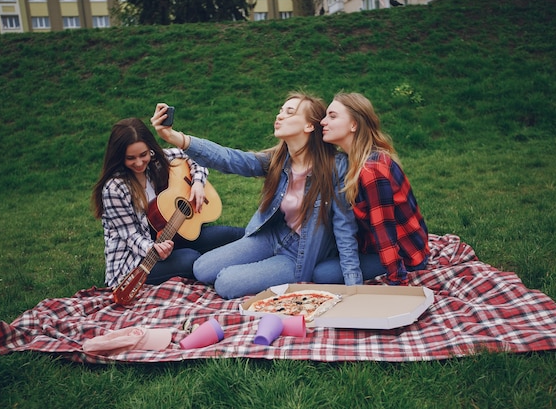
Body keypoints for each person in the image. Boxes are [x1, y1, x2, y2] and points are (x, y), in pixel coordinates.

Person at [150, 92, 362, 299]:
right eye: (281, 111)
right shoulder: (279, 160)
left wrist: (354, 286)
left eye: (290, 112)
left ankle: (275, 271)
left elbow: (345, 227)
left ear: (309, 126)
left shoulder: (335, 167)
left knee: (225, 283)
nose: (280, 116)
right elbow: (230, 159)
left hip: (299, 254)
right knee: (202, 268)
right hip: (272, 236)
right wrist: (175, 137)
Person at [91, 118, 244, 288]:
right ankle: (233, 276)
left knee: (231, 235)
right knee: (191, 259)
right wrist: (153, 248)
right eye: (130, 158)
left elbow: (193, 156)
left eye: (143, 154)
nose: (139, 163)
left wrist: (198, 183)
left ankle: (270, 245)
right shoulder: (114, 189)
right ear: (119, 157)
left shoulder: (156, 160)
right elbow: (130, 236)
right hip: (136, 261)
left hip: (173, 235)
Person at [314, 92, 429, 286]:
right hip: (373, 246)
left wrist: (396, 281)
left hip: (406, 255)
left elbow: (384, 231)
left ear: (354, 125)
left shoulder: (371, 170)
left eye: (332, 116)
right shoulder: (352, 161)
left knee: (322, 274)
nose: (323, 122)